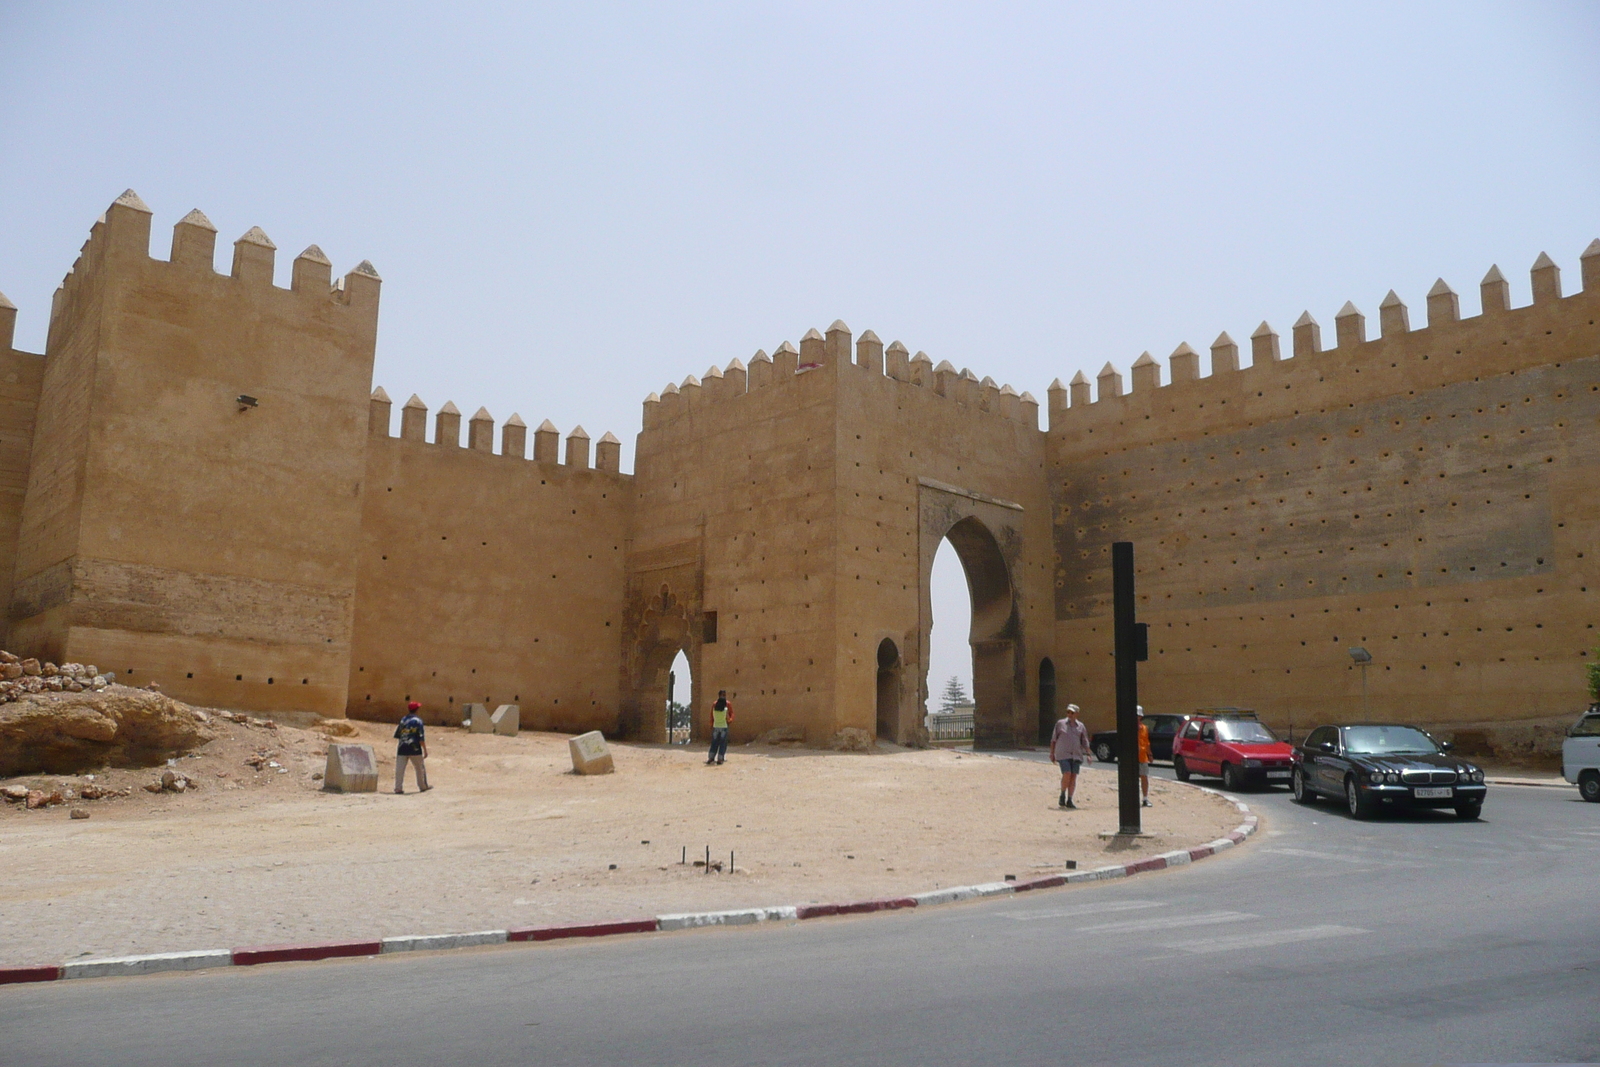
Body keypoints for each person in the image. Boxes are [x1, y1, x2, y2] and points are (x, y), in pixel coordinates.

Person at [1049, 703, 1092, 808]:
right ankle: (1062, 794)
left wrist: (1088, 754)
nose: (1069, 714)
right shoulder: (1060, 724)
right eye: (1068, 712)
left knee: (1073, 777)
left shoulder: (1080, 726)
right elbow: (1054, 739)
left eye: (1072, 712)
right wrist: (1052, 753)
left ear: (1077, 714)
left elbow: (1084, 741)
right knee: (1067, 773)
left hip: (1076, 755)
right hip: (1063, 754)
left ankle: (1069, 799)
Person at [394, 701, 430, 794]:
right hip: (415, 749)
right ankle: (422, 786)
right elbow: (421, 738)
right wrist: (425, 750)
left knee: (400, 769)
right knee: (419, 768)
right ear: (417, 710)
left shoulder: (403, 720)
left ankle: (398, 788)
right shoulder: (418, 721)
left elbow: (398, 735)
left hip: (402, 748)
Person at [706, 690, 733, 765]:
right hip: (723, 727)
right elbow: (728, 716)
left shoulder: (715, 709)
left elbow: (712, 716)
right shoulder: (725, 709)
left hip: (715, 727)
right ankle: (720, 758)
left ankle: (711, 757)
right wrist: (729, 720)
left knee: (714, 742)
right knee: (722, 743)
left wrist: (711, 724)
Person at [1137, 705, 1152, 807]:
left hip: (1142, 757)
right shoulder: (1128, 729)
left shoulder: (1144, 728)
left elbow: (1146, 743)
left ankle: (1145, 798)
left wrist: (1149, 754)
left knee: (1144, 777)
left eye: (1138, 716)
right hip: (1132, 758)